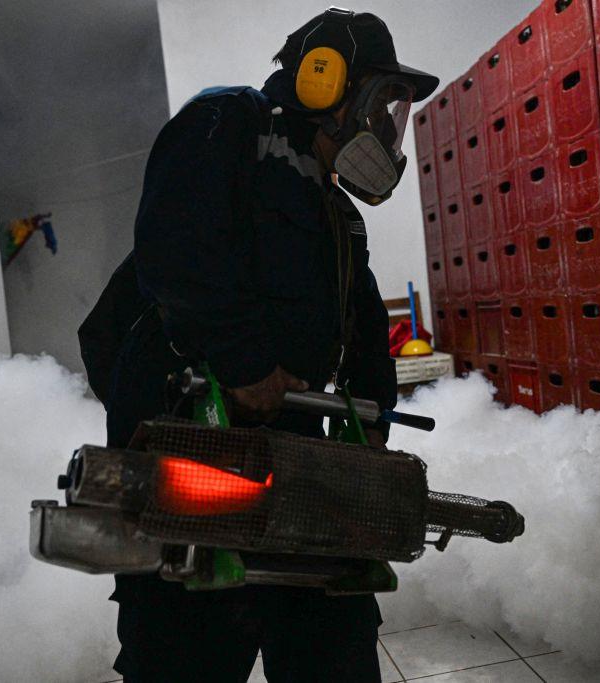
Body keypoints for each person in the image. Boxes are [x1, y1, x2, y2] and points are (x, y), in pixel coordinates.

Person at [100, 8, 438, 681]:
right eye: (379, 100)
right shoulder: (229, 126)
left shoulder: (336, 211)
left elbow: (365, 325)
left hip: (298, 458)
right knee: (185, 651)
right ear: (321, 79)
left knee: (334, 648)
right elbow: (176, 247)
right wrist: (244, 361)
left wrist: (373, 413)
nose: (384, 125)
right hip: (194, 446)